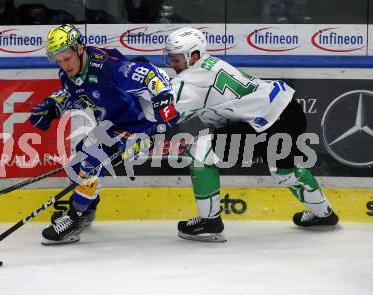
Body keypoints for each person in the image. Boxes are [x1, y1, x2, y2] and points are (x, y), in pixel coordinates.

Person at [164, 27, 339, 242]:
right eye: (170, 57)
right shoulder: (211, 63)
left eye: (176, 58)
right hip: (288, 110)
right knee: (285, 173)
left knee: (200, 152)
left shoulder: (189, 79)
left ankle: (210, 223)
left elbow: (163, 115)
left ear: (194, 56)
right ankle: (325, 215)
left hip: (267, 124)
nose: (172, 63)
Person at [29, 24, 179, 245]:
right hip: (115, 125)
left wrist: (164, 98)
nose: (64, 65)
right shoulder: (71, 72)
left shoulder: (108, 67)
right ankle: (86, 209)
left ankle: (77, 217)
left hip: (143, 126)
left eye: (67, 58)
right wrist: (55, 104)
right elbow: (76, 92)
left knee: (91, 160)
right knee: (79, 157)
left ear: (79, 48)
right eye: (58, 61)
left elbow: (151, 74)